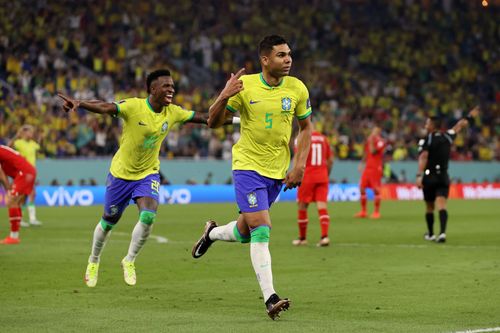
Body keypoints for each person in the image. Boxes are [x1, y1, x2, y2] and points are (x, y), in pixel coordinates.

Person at [58, 69, 237, 288]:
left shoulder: (173, 112)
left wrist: (239, 120)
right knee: (108, 222)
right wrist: (80, 103)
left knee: (148, 217)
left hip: (148, 173)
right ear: (153, 89)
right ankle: (93, 261)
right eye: (166, 86)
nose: (171, 89)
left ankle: (129, 260)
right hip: (121, 175)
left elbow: (207, 118)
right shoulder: (134, 107)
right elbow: (107, 107)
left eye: (172, 86)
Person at [191, 35, 313, 320]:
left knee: (245, 232)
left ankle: (211, 233)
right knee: (262, 229)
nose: (288, 60)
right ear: (265, 60)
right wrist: (224, 95)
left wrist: (300, 165)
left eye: (289, 54)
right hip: (247, 167)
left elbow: (306, 128)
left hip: (277, 171)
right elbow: (213, 122)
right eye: (281, 55)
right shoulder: (246, 87)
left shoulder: (297, 88)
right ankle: (270, 298)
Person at [416, 106, 479, 243]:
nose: (426, 125)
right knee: (442, 205)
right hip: (443, 176)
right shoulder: (447, 136)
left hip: (430, 176)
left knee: (429, 207)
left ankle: (431, 234)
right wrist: (470, 116)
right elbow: (459, 126)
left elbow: (424, 156)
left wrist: (419, 175)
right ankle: (442, 233)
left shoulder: (428, 139)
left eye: (427, 123)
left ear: (432, 126)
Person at [292, 131, 333, 247]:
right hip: (322, 176)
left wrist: (295, 173)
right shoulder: (323, 138)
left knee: (302, 205)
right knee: (322, 206)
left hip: (308, 176)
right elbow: (330, 160)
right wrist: (326, 174)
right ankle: (325, 237)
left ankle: (302, 238)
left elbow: (298, 157)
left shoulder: (302, 137)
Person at [0, 145, 37, 244]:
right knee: (17, 202)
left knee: (10, 200)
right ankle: (15, 232)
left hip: (24, 173)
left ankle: (14, 237)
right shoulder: (2, 149)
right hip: (28, 172)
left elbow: (1, 173)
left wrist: (7, 187)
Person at [8, 125, 43, 227]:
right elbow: (8, 147)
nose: (31, 134)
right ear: (24, 133)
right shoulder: (19, 143)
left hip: (32, 172)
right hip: (24, 172)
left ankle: (22, 218)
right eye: (30, 132)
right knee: (27, 194)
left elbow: (39, 147)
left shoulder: (32, 144)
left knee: (28, 195)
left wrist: (40, 138)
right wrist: (16, 135)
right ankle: (27, 219)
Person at [354, 125, 386, 219]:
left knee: (376, 189)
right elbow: (367, 153)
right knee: (362, 188)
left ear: (379, 132)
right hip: (368, 167)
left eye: (376, 131)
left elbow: (373, 151)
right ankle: (363, 211)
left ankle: (376, 212)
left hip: (376, 168)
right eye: (373, 130)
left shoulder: (381, 141)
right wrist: (361, 163)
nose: (373, 132)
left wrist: (371, 141)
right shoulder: (370, 141)